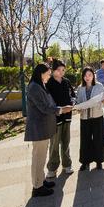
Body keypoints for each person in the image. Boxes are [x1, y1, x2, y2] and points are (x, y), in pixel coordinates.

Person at [24, 63, 72, 197]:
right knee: (38, 158)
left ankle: (41, 180)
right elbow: (44, 107)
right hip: (39, 128)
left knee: (41, 157)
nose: (49, 75)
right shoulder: (34, 87)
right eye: (48, 73)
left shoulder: (40, 86)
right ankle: (37, 187)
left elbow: (48, 104)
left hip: (43, 128)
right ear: (41, 73)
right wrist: (61, 110)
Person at [45, 59, 76, 179]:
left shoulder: (66, 82)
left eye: (63, 70)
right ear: (53, 70)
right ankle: (52, 168)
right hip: (54, 118)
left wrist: (73, 103)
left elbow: (73, 95)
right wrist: (60, 108)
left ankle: (67, 165)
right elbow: (47, 102)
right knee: (54, 144)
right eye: (59, 70)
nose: (61, 72)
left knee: (66, 141)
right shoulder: (49, 83)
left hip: (67, 117)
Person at [74, 67, 104, 171]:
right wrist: (78, 108)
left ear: (93, 76)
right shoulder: (80, 88)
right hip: (84, 117)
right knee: (85, 140)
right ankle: (85, 162)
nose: (87, 77)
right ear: (83, 77)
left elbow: (103, 99)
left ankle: (99, 162)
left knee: (98, 139)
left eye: (89, 75)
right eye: (85, 75)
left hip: (97, 116)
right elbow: (78, 102)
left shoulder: (99, 86)